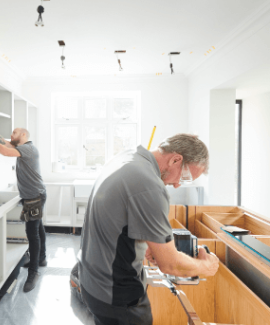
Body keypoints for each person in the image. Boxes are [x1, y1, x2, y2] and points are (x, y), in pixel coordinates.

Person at [78, 133, 219, 325]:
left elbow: (119, 212)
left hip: (92, 282)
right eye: (184, 177)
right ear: (175, 159)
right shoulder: (149, 186)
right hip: (117, 297)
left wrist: (151, 243)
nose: (177, 185)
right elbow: (171, 265)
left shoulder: (128, 157)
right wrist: (207, 266)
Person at [0, 116, 47, 293]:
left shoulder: (28, 149)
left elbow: (5, 151)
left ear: (23, 134)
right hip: (34, 195)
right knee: (38, 227)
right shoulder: (22, 148)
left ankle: (33, 272)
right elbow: (4, 143)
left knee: (32, 233)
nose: (11, 135)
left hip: (34, 197)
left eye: (14, 132)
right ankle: (42, 258)